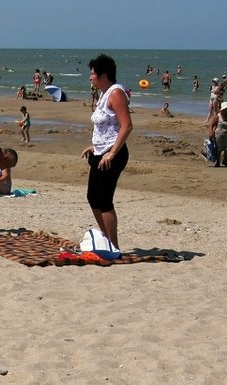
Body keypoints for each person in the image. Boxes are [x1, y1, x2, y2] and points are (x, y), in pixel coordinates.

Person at [80, 53, 132, 250]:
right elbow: (109, 127)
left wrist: (111, 152)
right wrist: (95, 146)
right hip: (100, 152)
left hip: (113, 155)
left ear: (103, 76)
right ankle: (105, 240)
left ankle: (114, 246)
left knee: (104, 200)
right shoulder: (104, 94)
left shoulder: (116, 93)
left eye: (92, 74)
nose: (90, 77)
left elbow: (127, 126)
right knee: (92, 197)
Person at [209, 102, 227, 167]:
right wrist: (210, 133)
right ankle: (218, 162)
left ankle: (225, 161)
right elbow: (211, 125)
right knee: (219, 149)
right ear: (224, 109)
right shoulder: (218, 116)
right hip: (219, 136)